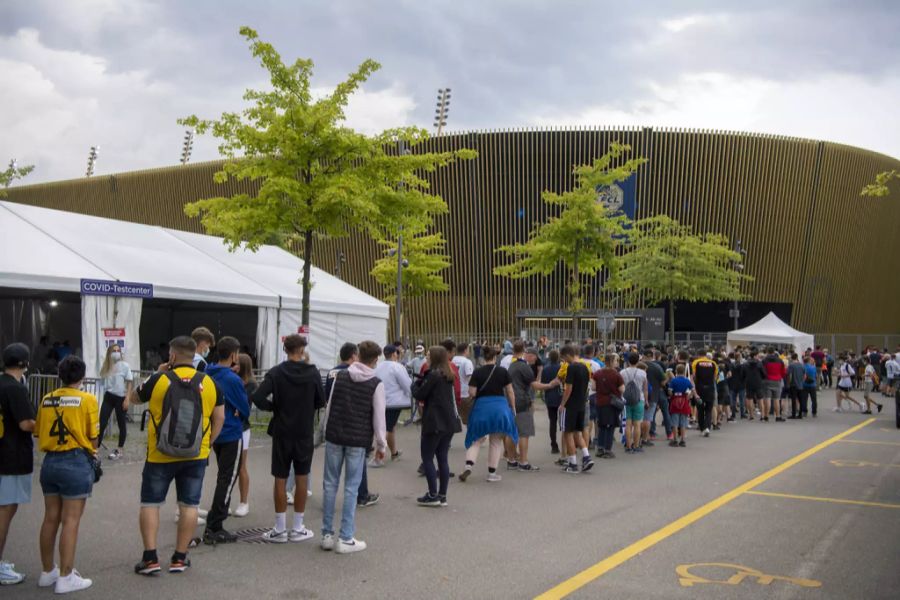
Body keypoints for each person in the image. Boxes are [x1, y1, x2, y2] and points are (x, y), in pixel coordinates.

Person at [130, 336, 225, 576]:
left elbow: (131, 399)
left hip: (159, 454)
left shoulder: (159, 379)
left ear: (172, 356)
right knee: (189, 505)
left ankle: (150, 559)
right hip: (195, 455)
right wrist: (207, 443)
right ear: (194, 355)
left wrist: (156, 372)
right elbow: (220, 418)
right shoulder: (210, 383)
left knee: (151, 503)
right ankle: (180, 558)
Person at [35, 355, 99, 593]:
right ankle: (66, 575)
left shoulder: (47, 398)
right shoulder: (87, 400)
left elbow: (39, 431)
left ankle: (47, 571)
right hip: (75, 462)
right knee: (70, 520)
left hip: (50, 462)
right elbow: (93, 437)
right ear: (82, 376)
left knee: (50, 517)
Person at [252, 334, 325, 543]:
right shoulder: (312, 373)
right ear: (302, 351)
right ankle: (298, 527)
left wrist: (274, 407)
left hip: (282, 431)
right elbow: (321, 401)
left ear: (285, 350)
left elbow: (257, 397)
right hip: (303, 432)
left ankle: (279, 527)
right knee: (302, 478)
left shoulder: (276, 372)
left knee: (280, 478)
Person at [320, 340, 387, 554]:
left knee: (330, 484)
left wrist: (323, 431)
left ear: (357, 354)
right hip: (358, 439)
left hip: (334, 435)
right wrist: (381, 444)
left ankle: (327, 534)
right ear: (375, 359)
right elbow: (379, 418)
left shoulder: (339, 376)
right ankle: (346, 536)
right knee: (351, 487)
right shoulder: (376, 383)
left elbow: (330, 406)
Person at [202, 337, 250, 545]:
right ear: (233, 355)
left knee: (223, 476)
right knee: (228, 479)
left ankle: (215, 519)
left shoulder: (207, 373)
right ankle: (215, 525)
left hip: (213, 432)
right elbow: (245, 408)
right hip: (230, 432)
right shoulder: (232, 380)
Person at [326, 343, 379, 508]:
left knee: (331, 478)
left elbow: (328, 397)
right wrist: (381, 443)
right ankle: (362, 495)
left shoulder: (332, 372)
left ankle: (328, 509)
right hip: (357, 427)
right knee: (355, 471)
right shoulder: (362, 376)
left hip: (335, 423)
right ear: (353, 356)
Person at [0, 343, 36, 586]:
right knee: (5, 510)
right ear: (25, 364)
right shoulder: (15, 388)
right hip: (11, 456)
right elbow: (26, 423)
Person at [459, 345, 518, 482]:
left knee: (477, 440)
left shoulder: (477, 372)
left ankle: (468, 465)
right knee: (496, 441)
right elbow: (510, 391)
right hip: (499, 407)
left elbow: (472, 392)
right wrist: (513, 407)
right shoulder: (503, 371)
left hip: (482, 408)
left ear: (483, 357)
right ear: (495, 357)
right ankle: (492, 474)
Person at [413, 346, 461, 506]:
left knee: (427, 457)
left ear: (434, 358)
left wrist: (415, 384)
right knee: (442, 458)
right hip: (448, 422)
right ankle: (442, 495)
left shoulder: (433, 375)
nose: (426, 357)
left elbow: (420, 394)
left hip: (434, 422)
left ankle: (433, 494)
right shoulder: (448, 374)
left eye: (428, 355)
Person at [507, 344, 558, 471]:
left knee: (511, 432)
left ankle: (511, 461)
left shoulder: (512, 365)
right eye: (535, 357)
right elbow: (535, 385)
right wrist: (550, 385)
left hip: (510, 401)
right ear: (529, 355)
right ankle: (523, 463)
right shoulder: (525, 367)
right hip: (523, 402)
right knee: (524, 433)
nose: (536, 360)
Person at [557, 345, 594, 473]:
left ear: (568, 355)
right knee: (578, 432)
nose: (564, 360)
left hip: (570, 405)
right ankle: (586, 456)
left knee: (568, 433)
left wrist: (562, 404)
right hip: (581, 404)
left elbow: (568, 388)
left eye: (564, 357)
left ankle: (572, 463)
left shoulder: (571, 368)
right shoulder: (585, 367)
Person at [374, 344, 411, 465]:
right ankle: (377, 457)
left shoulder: (378, 367)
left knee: (390, 427)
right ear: (394, 354)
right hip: (394, 402)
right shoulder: (397, 367)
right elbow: (407, 384)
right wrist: (412, 395)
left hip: (380, 401)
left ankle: (394, 453)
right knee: (387, 429)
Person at [98, 343, 134, 460]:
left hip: (121, 397)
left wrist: (127, 398)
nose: (116, 352)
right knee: (102, 422)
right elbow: (102, 384)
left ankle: (120, 449)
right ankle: (95, 449)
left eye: (118, 350)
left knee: (121, 423)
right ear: (109, 352)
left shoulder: (124, 366)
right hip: (108, 397)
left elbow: (129, 382)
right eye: (114, 350)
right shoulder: (105, 367)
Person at [233, 353, 255, 518]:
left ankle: (243, 502)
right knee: (226, 468)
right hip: (228, 427)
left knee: (241, 466)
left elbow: (243, 405)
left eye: (237, 364)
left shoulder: (251, 384)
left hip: (242, 428)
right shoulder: (231, 378)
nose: (234, 366)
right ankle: (224, 501)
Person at [593, 354, 624, 459]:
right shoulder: (616, 375)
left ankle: (600, 448)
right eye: (616, 360)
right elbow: (622, 389)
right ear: (611, 362)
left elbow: (593, 387)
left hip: (600, 401)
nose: (617, 363)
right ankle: (608, 450)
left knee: (601, 425)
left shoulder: (597, 373)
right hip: (612, 403)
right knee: (610, 426)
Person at [621, 353, 649, 453]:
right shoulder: (643, 373)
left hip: (626, 400)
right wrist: (646, 400)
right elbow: (645, 389)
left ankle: (628, 446)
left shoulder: (622, 372)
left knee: (628, 424)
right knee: (637, 424)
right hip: (639, 399)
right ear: (638, 361)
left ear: (628, 361)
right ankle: (636, 445)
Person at [541, 350, 563, 454]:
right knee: (564, 422)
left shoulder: (545, 369)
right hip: (561, 397)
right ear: (558, 357)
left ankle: (554, 444)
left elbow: (544, 383)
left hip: (550, 396)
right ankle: (566, 444)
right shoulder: (562, 368)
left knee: (552, 422)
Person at [691, 353, 718, 436]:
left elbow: (694, 376)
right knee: (709, 409)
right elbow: (715, 377)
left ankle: (702, 428)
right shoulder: (713, 363)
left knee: (700, 409)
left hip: (699, 389)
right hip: (710, 389)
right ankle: (707, 428)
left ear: (699, 355)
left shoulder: (696, 362)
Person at [668, 364, 693, 447]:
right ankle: (683, 440)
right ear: (684, 371)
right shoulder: (687, 381)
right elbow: (692, 390)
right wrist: (688, 397)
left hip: (675, 401)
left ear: (676, 371)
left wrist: (671, 395)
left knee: (674, 422)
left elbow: (670, 392)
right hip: (684, 401)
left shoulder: (673, 381)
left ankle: (675, 440)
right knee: (683, 423)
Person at [742, 351, 766, 420]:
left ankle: (751, 415)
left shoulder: (745, 364)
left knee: (750, 399)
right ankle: (762, 416)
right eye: (757, 355)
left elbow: (743, 374)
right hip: (758, 383)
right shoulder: (759, 364)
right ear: (755, 356)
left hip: (749, 383)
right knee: (760, 399)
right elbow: (764, 374)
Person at [786, 353, 807, 419]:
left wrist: (788, 383)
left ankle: (793, 414)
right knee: (801, 400)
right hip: (800, 385)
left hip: (793, 384)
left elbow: (789, 375)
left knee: (794, 400)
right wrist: (802, 381)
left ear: (792, 358)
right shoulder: (802, 365)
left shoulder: (791, 365)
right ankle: (800, 414)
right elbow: (805, 376)